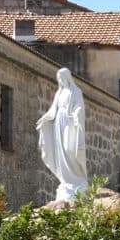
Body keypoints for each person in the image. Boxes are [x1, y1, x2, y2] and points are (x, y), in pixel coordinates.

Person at [37, 68, 89, 201]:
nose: (59, 80)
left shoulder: (75, 91)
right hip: (58, 123)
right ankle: (67, 181)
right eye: (58, 78)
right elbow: (54, 108)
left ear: (67, 77)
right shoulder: (59, 93)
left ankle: (77, 179)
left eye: (61, 77)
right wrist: (45, 118)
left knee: (69, 149)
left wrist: (76, 114)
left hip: (70, 121)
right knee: (61, 152)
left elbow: (79, 106)